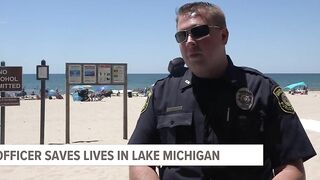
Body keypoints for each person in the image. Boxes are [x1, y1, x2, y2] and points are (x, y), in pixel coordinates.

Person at [128, 2, 316, 180]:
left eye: (199, 32)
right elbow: (139, 158)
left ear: (224, 36)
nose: (190, 41)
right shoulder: (162, 93)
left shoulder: (261, 89)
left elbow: (292, 167)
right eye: (182, 36)